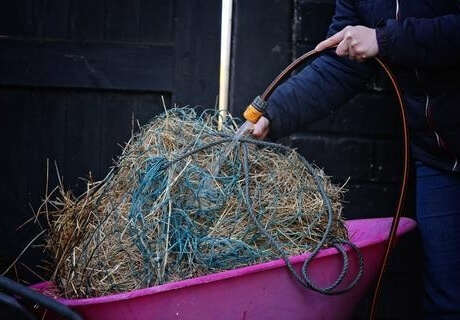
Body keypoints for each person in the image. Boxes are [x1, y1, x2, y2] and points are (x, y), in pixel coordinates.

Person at [251, 1, 460, 319]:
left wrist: (385, 40)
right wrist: (274, 114)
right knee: (447, 301)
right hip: (438, 160)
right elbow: (341, 64)